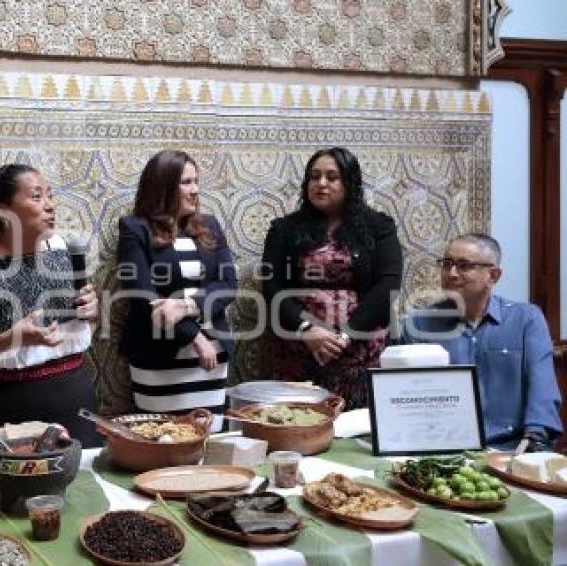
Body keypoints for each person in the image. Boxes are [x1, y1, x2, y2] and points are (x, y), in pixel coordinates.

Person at [0, 164, 100, 447]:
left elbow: (83, 328)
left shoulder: (62, 251)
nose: (50, 206)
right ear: (3, 210)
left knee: (85, 487)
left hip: (75, 396)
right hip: (10, 407)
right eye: (36, 197)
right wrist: (15, 337)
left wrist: (92, 311)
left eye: (49, 196)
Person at [261, 146, 403, 409]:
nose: (321, 184)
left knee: (357, 429)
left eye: (331, 177)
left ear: (349, 182)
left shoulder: (378, 226)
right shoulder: (284, 229)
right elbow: (272, 287)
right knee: (300, 426)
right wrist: (307, 330)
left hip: (359, 348)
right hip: (298, 347)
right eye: (314, 177)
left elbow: (388, 284)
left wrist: (345, 336)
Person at [402, 234, 563, 450]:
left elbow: (542, 387)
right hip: (444, 448)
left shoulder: (526, 320)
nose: (451, 274)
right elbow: (408, 393)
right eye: (446, 264)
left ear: (493, 275)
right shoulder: (420, 323)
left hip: (513, 447)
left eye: (464, 266)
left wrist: (535, 439)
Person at [117, 150, 236, 431]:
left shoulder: (209, 225)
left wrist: (185, 306)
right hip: (158, 354)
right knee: (162, 437)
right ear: (162, 185)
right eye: (186, 182)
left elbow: (228, 285)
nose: (195, 190)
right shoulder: (135, 229)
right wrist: (193, 335)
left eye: (196, 181)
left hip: (212, 356)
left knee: (209, 437)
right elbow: (142, 296)